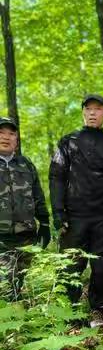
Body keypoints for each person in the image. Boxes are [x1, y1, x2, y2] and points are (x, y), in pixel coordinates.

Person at [49, 94, 103, 327]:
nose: (92, 113)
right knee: (71, 265)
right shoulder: (68, 141)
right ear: (82, 112)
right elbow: (57, 176)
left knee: (102, 266)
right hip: (75, 217)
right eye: (88, 108)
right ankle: (68, 312)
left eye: (98, 109)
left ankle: (99, 310)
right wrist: (58, 212)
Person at [0, 117, 50, 300]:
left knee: (18, 283)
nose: (6, 137)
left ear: (17, 139)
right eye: (1, 132)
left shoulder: (26, 164)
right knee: (6, 287)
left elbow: (38, 196)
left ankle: (17, 321)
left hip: (26, 237)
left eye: (11, 133)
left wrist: (44, 224)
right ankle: (12, 323)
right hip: (1, 239)